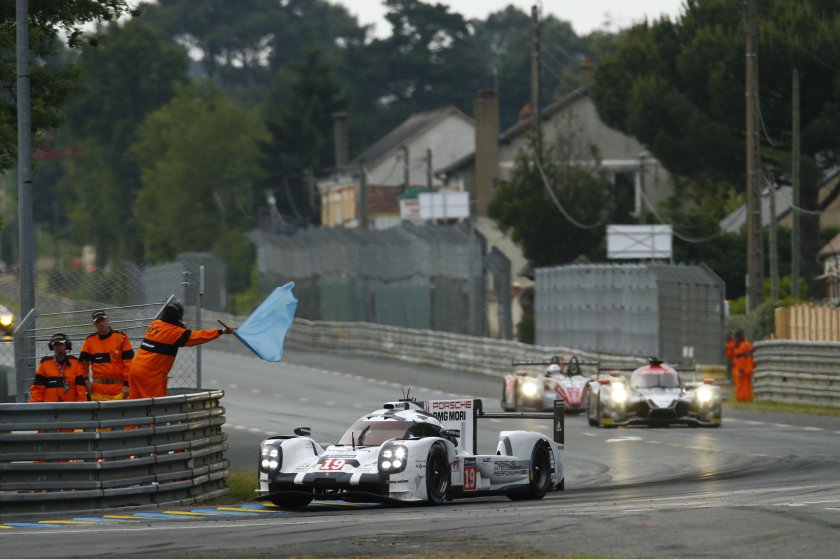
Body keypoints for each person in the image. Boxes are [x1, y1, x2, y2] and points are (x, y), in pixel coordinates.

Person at [128, 302, 235, 399]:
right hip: (151, 376)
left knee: (134, 406)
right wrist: (221, 331)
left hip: (134, 370)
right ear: (178, 318)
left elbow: (171, 329)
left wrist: (180, 325)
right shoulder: (175, 333)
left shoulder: (154, 325)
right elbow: (197, 337)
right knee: (155, 408)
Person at [79, 310, 134, 401]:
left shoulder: (121, 338)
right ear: (94, 325)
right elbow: (81, 365)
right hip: (98, 392)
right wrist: (86, 381)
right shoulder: (89, 341)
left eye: (102, 320)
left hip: (119, 391)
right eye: (98, 322)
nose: (101, 324)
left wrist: (127, 385)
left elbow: (129, 364)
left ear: (107, 320)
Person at [29, 333, 87, 403]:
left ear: (67, 345)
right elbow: (37, 390)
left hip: (70, 409)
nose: (59, 347)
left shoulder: (75, 364)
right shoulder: (45, 364)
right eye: (56, 345)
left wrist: (81, 409)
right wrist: (34, 409)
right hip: (49, 410)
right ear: (52, 347)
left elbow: (80, 391)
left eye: (61, 344)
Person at [731, 329, 755, 402]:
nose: (733, 338)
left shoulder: (740, 346)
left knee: (741, 385)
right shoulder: (748, 344)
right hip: (749, 368)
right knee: (748, 384)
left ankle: (742, 399)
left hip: (742, 368)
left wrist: (741, 370)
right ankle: (749, 398)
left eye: (734, 336)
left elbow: (741, 359)